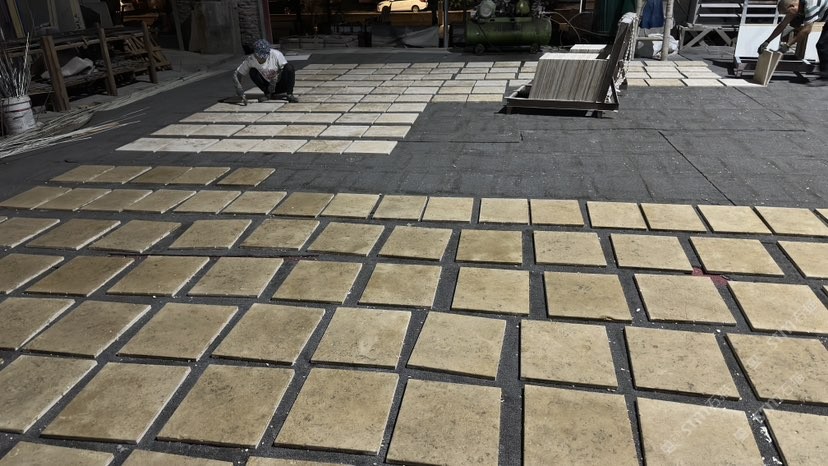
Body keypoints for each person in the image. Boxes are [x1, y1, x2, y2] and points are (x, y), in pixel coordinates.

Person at [757, 0, 828, 86]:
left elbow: (806, 31)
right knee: (823, 45)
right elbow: (782, 25)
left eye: (787, 13)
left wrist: (787, 45)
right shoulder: (796, 6)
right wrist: (767, 41)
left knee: (822, 45)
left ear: (791, 6)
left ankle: (825, 78)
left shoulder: (811, 6)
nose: (788, 15)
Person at [233, 39, 298, 103]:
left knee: (289, 67)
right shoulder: (250, 60)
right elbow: (238, 74)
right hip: (268, 87)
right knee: (252, 71)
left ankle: (289, 94)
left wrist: (275, 79)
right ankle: (267, 94)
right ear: (255, 54)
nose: (263, 58)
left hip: (281, 84)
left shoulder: (276, 54)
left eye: (264, 56)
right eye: (260, 57)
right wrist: (239, 89)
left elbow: (285, 70)